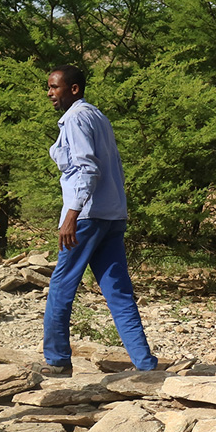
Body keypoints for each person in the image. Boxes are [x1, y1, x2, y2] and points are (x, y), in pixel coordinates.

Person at [35, 65, 158, 377]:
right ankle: (145, 365)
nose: (50, 94)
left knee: (62, 285)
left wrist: (71, 216)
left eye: (54, 87)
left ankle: (58, 360)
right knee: (118, 292)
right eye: (48, 88)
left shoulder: (76, 118)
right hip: (113, 215)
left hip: (87, 217)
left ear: (74, 89)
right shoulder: (97, 116)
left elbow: (88, 170)